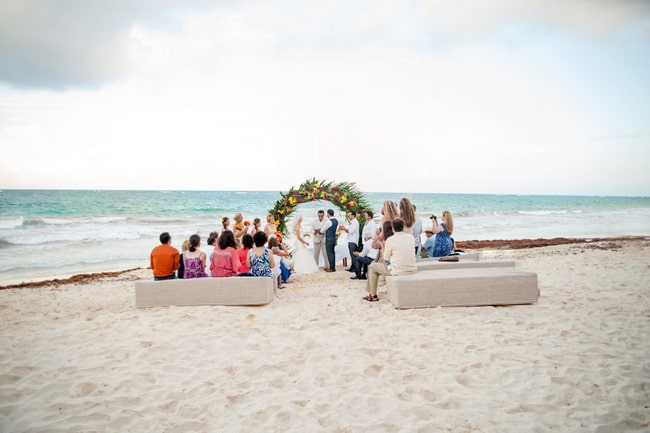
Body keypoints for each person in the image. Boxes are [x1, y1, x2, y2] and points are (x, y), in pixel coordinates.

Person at [365, 218, 416, 302]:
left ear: (393, 228)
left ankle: (372, 295)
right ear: (403, 227)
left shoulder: (391, 240)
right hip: (412, 269)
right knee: (374, 267)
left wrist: (382, 245)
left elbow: (385, 259)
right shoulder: (410, 237)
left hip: (398, 270)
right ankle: (371, 294)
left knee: (372, 266)